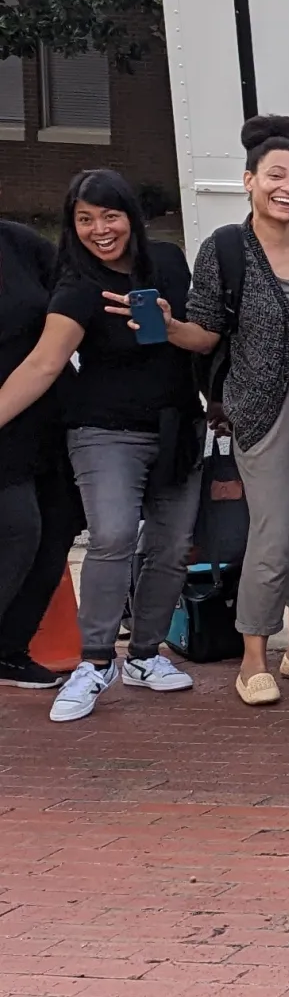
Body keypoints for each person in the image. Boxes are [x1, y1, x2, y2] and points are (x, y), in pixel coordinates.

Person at [0, 170, 204, 722]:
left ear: (131, 217)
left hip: (177, 427)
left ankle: (144, 654)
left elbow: (205, 337)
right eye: (84, 219)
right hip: (103, 431)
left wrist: (171, 324)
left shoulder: (168, 262)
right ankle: (94, 662)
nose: (99, 230)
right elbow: (43, 364)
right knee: (112, 536)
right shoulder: (77, 285)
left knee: (171, 544)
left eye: (109, 215)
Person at [183, 117, 289, 706]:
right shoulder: (227, 249)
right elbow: (205, 334)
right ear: (249, 180)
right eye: (277, 176)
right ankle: (253, 656)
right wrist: (163, 328)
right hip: (266, 403)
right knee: (274, 530)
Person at [0, 205, 73, 690]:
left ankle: (10, 648)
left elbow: (70, 299)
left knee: (58, 528)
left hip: (47, 420)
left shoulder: (21, 244)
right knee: (19, 529)